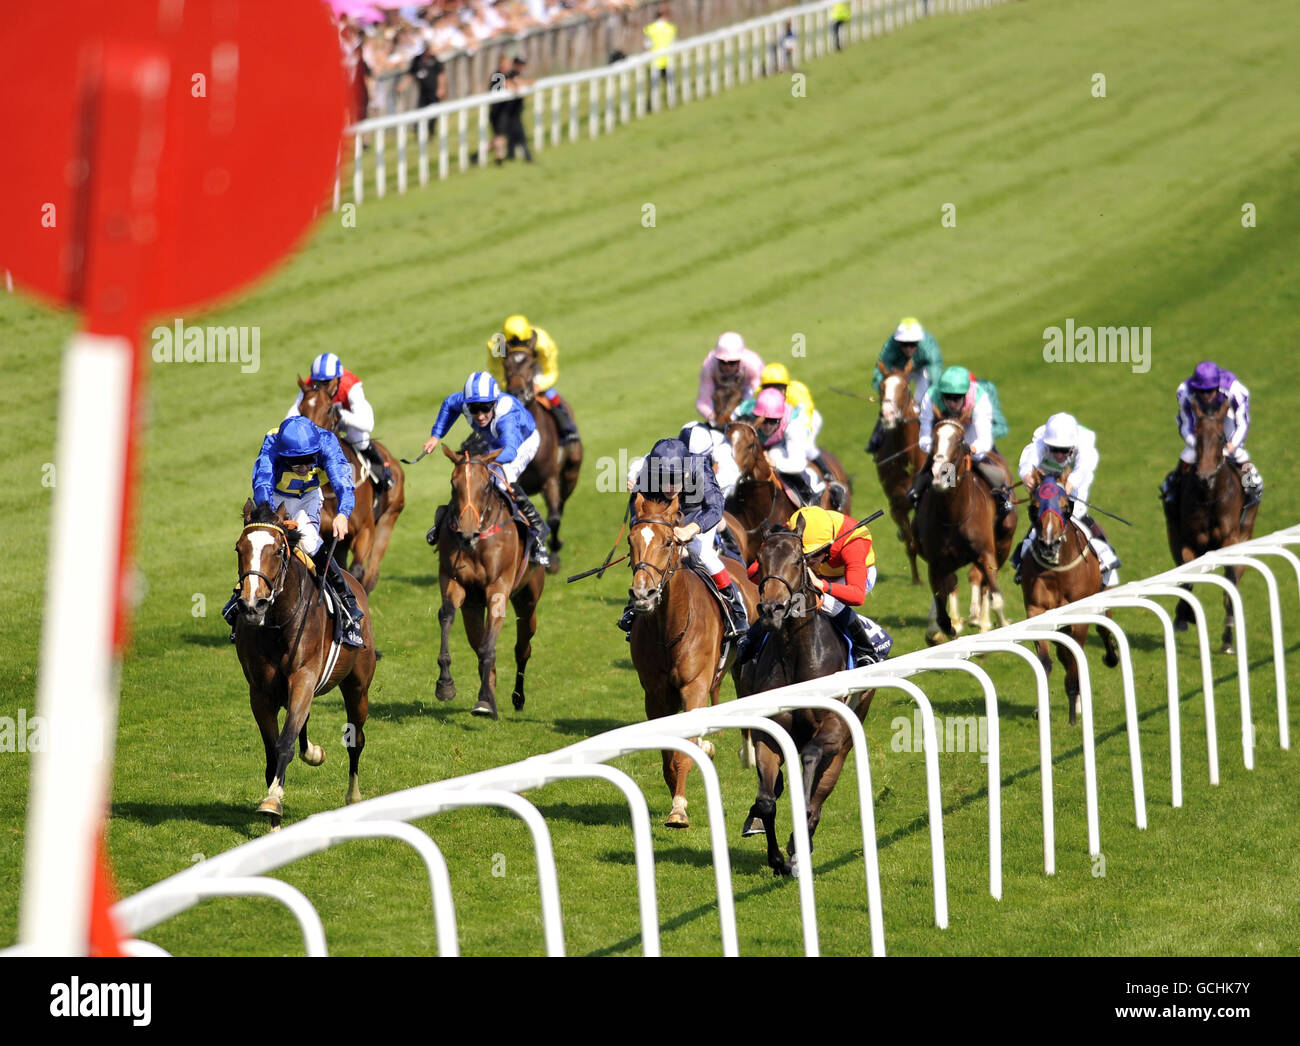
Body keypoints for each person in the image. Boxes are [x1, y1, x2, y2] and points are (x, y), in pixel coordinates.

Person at [222, 416, 364, 646]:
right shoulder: (272, 444)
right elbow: (263, 483)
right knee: (262, 542)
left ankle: (347, 602)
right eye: (296, 462)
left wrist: (343, 513)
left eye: (309, 460)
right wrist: (270, 518)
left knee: (308, 542)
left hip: (308, 499)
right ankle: (240, 596)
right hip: (275, 500)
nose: (304, 466)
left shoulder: (327, 442)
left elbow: (343, 483)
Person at [616, 437, 750, 640]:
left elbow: (714, 508)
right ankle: (636, 602)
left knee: (700, 553)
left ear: (687, 471)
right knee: (648, 551)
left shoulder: (699, 469)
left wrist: (691, 530)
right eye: (665, 478)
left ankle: (735, 609)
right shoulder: (647, 472)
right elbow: (637, 506)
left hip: (697, 513)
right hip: (662, 515)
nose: (671, 486)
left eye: (676, 478)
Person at [423, 371, 551, 567]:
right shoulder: (464, 402)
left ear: (495, 403)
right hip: (493, 441)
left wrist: (484, 461)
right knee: (470, 476)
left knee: (501, 479)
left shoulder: (507, 416)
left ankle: (539, 531)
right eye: (475, 409)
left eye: (485, 408)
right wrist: (436, 435)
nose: (480, 415)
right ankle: (445, 522)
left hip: (522, 442)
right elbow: (449, 404)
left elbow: (510, 451)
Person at [738, 505, 892, 665]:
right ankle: (753, 639)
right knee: (790, 598)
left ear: (829, 545)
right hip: (817, 573)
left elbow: (857, 595)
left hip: (850, 577)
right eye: (804, 555)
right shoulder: (791, 530)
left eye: (815, 554)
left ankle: (865, 650)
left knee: (824, 601)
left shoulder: (854, 542)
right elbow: (753, 574)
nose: (809, 560)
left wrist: (821, 585)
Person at [1014, 413, 1120, 587]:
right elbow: (1028, 461)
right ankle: (1023, 560)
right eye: (1055, 449)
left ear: (1072, 446)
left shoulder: (1084, 447)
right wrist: (1027, 476)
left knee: (1075, 512)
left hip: (1076, 479)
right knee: (1044, 514)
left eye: (1064, 450)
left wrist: (1069, 485)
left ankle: (1104, 554)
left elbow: (1082, 469)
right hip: (1047, 478)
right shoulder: (1041, 443)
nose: (1059, 454)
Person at [908, 365, 1015, 521]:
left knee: (990, 469)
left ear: (965, 395)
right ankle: (918, 511)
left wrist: (972, 449)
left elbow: (985, 439)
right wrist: (943, 450)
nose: (951, 402)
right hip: (944, 443)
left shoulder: (980, 399)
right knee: (920, 487)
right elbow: (924, 437)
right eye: (947, 397)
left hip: (971, 438)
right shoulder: (930, 397)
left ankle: (1002, 498)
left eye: (957, 398)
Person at [1160, 360, 1263, 511]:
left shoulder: (1235, 390)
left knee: (1238, 453)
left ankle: (1252, 483)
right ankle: (1173, 484)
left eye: (1210, 391)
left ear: (1217, 386)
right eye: (1201, 391)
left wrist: (1233, 444)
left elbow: (1242, 423)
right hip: (1200, 419)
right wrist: (1197, 444)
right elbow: (1185, 424)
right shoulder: (1185, 392)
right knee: (1189, 455)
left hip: (1227, 416)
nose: (1206, 396)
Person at [286, 352, 391, 493]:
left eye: (326, 383)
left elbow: (367, 423)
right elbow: (290, 416)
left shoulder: (351, 386)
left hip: (347, 419)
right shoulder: (310, 384)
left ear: (337, 379)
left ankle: (381, 472)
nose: (322, 387)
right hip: (323, 422)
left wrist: (342, 416)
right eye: (318, 383)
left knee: (359, 438)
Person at [739, 362, 842, 499]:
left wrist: (775, 463)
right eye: (769, 387)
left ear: (786, 388)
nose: (773, 391)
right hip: (778, 428)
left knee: (805, 447)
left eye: (778, 387)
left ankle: (824, 477)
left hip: (806, 420)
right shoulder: (760, 399)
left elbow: (807, 416)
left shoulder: (797, 395)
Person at [486, 314, 578, 443]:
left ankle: (567, 427)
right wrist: (507, 386)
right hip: (510, 373)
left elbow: (550, 371)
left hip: (534, 370)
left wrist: (539, 386)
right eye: (512, 344)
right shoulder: (497, 345)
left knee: (550, 394)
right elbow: (496, 371)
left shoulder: (543, 343)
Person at [866, 316, 944, 455]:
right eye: (904, 344)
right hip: (900, 370)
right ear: (898, 342)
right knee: (891, 397)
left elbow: (935, 371)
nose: (908, 348)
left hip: (923, 368)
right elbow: (880, 369)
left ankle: (939, 428)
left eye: (913, 344)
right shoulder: (890, 346)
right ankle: (877, 436)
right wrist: (885, 394)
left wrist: (933, 394)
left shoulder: (927, 347)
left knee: (924, 398)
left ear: (918, 342)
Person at [746, 387, 826, 507]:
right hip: (770, 442)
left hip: (788, 442)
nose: (767, 426)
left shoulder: (794, 426)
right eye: (764, 421)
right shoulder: (746, 413)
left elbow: (798, 464)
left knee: (776, 453)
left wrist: (775, 464)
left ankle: (809, 493)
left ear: (781, 418)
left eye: (773, 421)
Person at [696, 331, 764, 423]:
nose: (727, 367)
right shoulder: (709, 366)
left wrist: (744, 412)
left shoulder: (753, 365)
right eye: (722, 362)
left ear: (740, 359)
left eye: (732, 363)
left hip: (746, 390)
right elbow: (703, 402)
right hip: (720, 392)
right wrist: (713, 418)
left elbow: (760, 396)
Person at [409, 42, 446, 136]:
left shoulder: (434, 59)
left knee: (433, 112)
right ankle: (419, 132)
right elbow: (411, 73)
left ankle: (431, 131)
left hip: (434, 91)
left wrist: (441, 88)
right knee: (420, 111)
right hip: (423, 91)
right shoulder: (417, 60)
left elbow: (441, 74)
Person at [504, 55, 534, 162]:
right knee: (519, 134)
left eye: (523, 65)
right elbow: (512, 84)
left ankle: (511, 156)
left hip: (516, 111)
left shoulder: (519, 74)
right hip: (507, 112)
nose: (522, 67)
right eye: (520, 65)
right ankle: (528, 157)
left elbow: (530, 82)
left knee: (512, 135)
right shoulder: (508, 74)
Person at [643, 6, 677, 99]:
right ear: (663, 16)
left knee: (654, 85)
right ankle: (672, 102)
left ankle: (654, 105)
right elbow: (674, 43)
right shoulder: (670, 27)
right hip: (668, 59)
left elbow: (647, 45)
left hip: (655, 60)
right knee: (670, 83)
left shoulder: (650, 29)